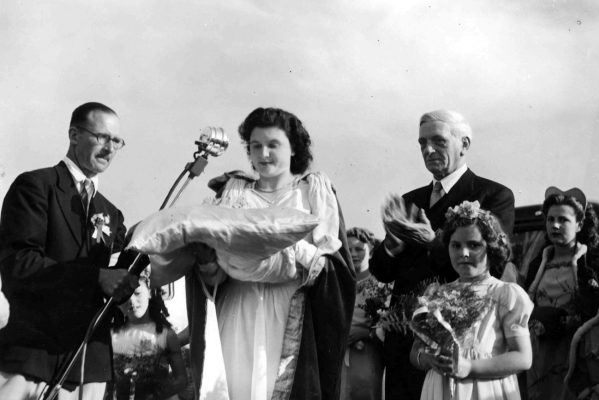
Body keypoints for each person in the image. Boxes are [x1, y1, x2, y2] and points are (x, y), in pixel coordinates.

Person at [184, 107, 356, 400]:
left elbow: (333, 271)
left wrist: (287, 245)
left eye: (273, 145)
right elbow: (216, 269)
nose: (263, 154)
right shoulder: (234, 194)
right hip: (239, 309)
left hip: (292, 313)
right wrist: (206, 260)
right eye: (255, 146)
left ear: (293, 150)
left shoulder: (312, 192)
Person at [369, 109, 515, 399]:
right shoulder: (410, 201)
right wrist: (391, 247)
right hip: (404, 344)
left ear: (464, 144)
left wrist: (430, 240)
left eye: (438, 141)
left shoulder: (492, 196)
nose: (428, 149)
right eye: (422, 143)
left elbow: (493, 265)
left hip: (458, 344)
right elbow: (381, 271)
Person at [0, 102, 138, 400]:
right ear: (74, 135)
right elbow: (19, 267)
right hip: (31, 361)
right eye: (102, 137)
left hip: (88, 369)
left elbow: (117, 282)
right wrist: (96, 277)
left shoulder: (112, 214)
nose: (110, 148)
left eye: (117, 141)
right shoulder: (35, 186)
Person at [410, 200, 533, 400]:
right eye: (456, 246)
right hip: (440, 389)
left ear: (491, 248)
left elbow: (523, 357)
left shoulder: (504, 294)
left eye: (474, 245)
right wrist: (427, 359)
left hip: (485, 389)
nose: (463, 253)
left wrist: (470, 367)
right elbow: (416, 349)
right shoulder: (437, 294)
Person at [525, 187, 599, 400]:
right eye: (550, 219)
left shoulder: (591, 264)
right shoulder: (537, 264)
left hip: (579, 353)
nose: (555, 225)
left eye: (563, 220)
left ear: (579, 224)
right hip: (540, 352)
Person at [106, 268, 187, 400]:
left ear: (149, 291)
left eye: (137, 293)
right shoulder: (111, 335)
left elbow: (181, 379)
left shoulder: (166, 335)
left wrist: (156, 396)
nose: (132, 301)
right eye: (125, 297)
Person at [340, 227, 385, 400]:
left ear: (371, 249)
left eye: (359, 249)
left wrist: (366, 333)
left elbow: (388, 321)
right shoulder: (339, 280)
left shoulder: (380, 282)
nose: (353, 254)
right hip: (339, 354)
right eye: (349, 249)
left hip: (367, 353)